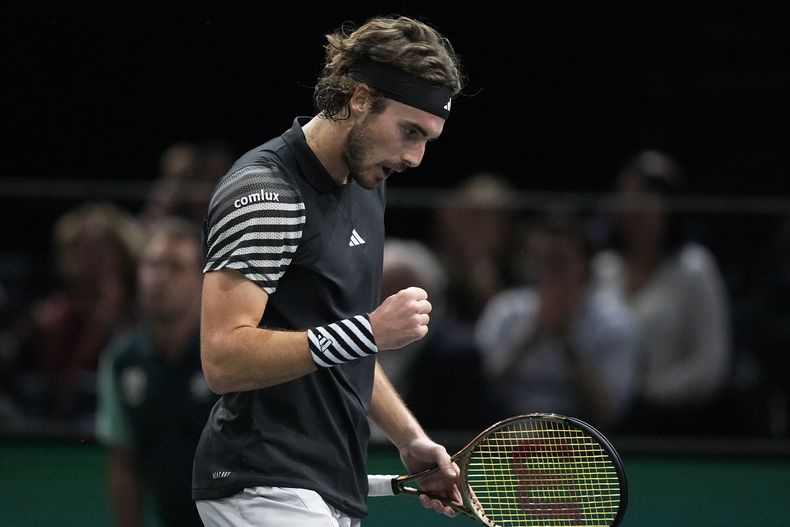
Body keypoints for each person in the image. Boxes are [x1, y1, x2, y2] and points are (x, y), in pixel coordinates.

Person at [192, 15, 465, 527]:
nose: (416, 157)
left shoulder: (367, 186)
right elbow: (222, 358)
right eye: (409, 132)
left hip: (326, 485)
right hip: (262, 483)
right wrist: (370, 330)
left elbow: (341, 341)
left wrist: (409, 437)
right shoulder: (266, 193)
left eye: (428, 138)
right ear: (359, 99)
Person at [592, 149, 732, 435]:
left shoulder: (695, 268)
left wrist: (646, 394)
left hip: (674, 426)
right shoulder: (602, 268)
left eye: (646, 199)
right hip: (601, 419)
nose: (635, 211)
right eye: (627, 199)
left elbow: (711, 366)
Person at [96, 217, 217, 527]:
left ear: (203, 279)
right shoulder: (122, 360)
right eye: (151, 265)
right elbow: (124, 461)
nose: (159, 278)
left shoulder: (225, 354)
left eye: (175, 268)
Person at [475, 211, 638, 431]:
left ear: (585, 266)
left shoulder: (611, 321)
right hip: (508, 430)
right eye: (542, 260)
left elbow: (609, 410)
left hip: (582, 437)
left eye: (560, 260)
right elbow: (478, 386)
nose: (550, 270)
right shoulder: (506, 309)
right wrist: (531, 333)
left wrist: (566, 341)